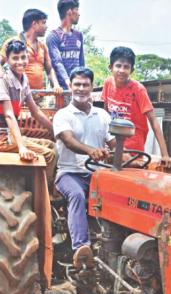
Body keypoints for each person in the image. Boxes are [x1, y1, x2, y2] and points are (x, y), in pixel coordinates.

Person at [52, 67, 114, 269]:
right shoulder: (63, 115)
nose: (81, 88)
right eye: (77, 84)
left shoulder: (102, 115)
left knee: (119, 196)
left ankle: (111, 247)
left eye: (85, 85)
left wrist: (130, 156)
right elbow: (69, 141)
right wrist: (91, 151)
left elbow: (115, 144)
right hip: (69, 173)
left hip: (97, 174)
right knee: (77, 195)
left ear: (91, 88)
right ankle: (82, 249)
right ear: (70, 87)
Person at [0, 39, 57, 180]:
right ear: (8, 60)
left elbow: (35, 112)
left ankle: (45, 187)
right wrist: (22, 147)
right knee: (49, 155)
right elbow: (9, 115)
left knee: (53, 146)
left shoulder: (24, 79)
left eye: (23, 57)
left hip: (10, 136)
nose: (20, 62)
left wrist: (56, 132)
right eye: (15, 58)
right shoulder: (2, 79)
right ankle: (45, 198)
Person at [102, 47, 171, 165]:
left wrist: (165, 155)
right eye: (118, 66)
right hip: (114, 142)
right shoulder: (108, 83)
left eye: (126, 67)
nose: (122, 70)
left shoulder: (138, 90)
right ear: (110, 67)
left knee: (128, 168)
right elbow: (105, 114)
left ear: (132, 70)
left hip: (133, 145)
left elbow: (153, 120)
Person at [0, 9, 63, 94]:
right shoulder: (14, 42)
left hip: (39, 98)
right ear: (34, 24)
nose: (46, 26)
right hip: (18, 97)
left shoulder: (43, 46)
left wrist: (56, 85)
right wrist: (3, 81)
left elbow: (49, 70)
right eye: (43, 22)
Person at [46, 0, 84, 91]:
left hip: (77, 87)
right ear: (69, 12)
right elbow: (57, 62)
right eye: (77, 10)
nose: (79, 14)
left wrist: (84, 80)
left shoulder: (79, 35)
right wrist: (67, 81)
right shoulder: (53, 36)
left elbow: (81, 62)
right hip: (60, 89)